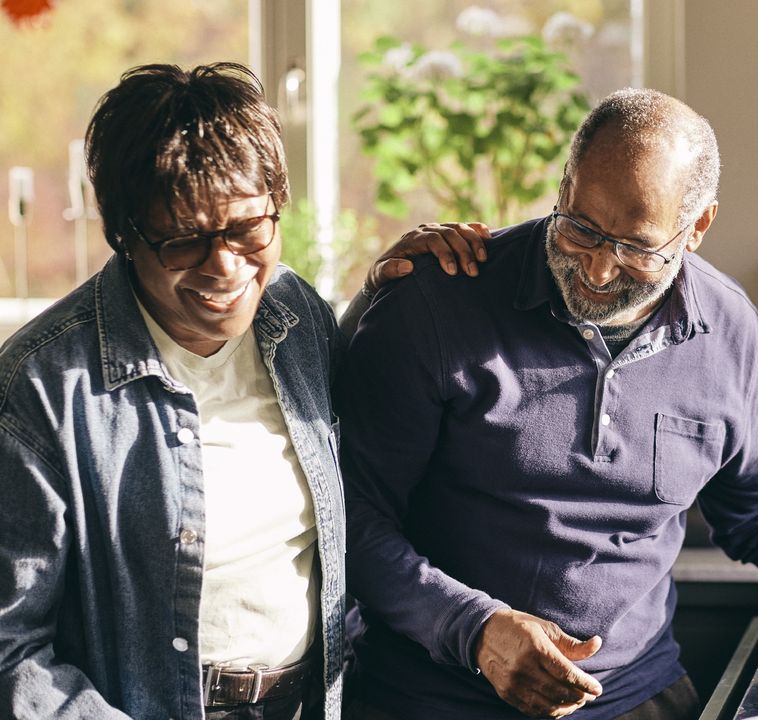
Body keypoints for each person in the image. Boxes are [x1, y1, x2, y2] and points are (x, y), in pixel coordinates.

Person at [336, 88, 758, 720]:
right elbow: (352, 520)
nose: (597, 269)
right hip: (431, 701)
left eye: (635, 246)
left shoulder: (728, 327)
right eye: (579, 226)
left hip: (639, 698)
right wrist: (478, 630)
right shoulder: (436, 302)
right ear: (563, 185)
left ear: (697, 227)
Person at [0, 63, 467, 720]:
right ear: (125, 236)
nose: (226, 266)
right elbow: (11, 652)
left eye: (249, 230)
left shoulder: (296, 314)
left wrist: (390, 294)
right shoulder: (42, 390)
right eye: (186, 240)